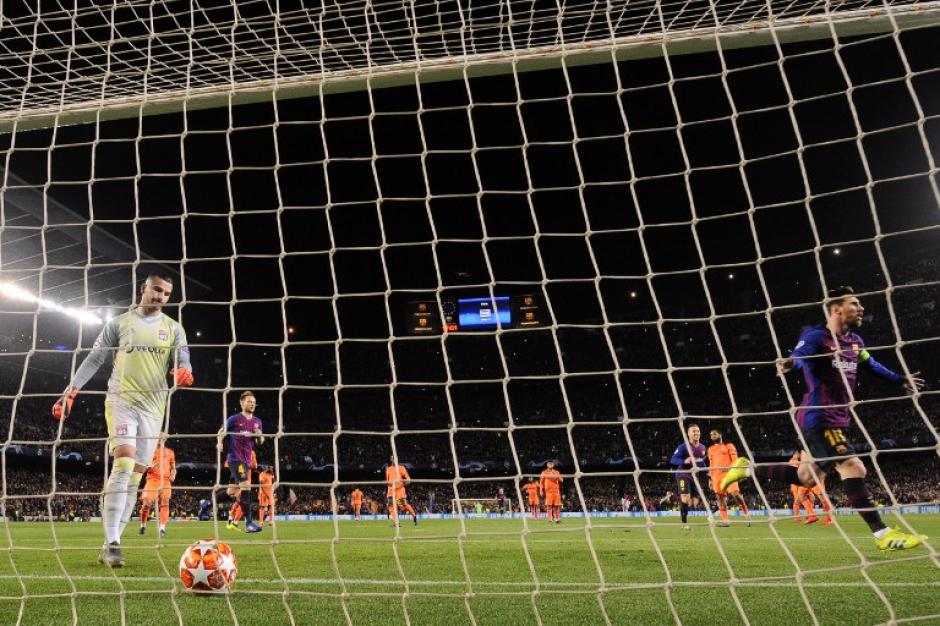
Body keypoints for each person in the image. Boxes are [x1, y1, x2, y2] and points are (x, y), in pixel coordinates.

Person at [722, 286, 927, 552]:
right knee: (854, 468)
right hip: (819, 416)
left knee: (807, 477)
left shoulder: (856, 342)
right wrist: (789, 363)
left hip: (838, 418)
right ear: (836, 309)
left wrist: (900, 380)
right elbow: (800, 356)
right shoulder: (817, 337)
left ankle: (748, 468)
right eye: (855, 303)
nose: (861, 308)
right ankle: (883, 534)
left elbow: (871, 365)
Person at [52, 272, 193, 567]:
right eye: (156, 290)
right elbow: (95, 358)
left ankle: (110, 540)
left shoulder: (174, 328)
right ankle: (114, 544)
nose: (160, 297)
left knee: (136, 478)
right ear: (144, 288)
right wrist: (71, 391)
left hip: (154, 408)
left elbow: (184, 359)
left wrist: (184, 371)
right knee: (124, 462)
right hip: (121, 400)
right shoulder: (118, 324)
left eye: (166, 293)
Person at [217, 391, 263, 533]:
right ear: (242, 403)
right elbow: (221, 431)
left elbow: (261, 441)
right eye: (249, 401)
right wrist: (220, 442)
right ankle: (248, 523)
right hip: (235, 459)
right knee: (246, 487)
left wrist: (258, 434)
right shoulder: (234, 419)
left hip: (246, 460)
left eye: (254, 402)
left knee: (231, 492)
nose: (252, 404)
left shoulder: (257, 422)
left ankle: (206, 503)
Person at [706, 429, 751, 527]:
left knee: (735, 495)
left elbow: (735, 460)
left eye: (714, 434)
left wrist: (730, 468)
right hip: (716, 476)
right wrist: (710, 478)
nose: (712, 436)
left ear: (720, 434)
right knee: (720, 498)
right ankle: (726, 521)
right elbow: (711, 464)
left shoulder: (729, 446)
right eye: (711, 434)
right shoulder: (710, 449)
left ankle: (746, 514)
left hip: (729, 475)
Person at [670, 424, 707, 531]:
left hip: (694, 477)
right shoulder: (683, 446)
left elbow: (701, 463)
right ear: (688, 434)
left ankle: (675, 497)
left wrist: (709, 473)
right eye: (693, 431)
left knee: (694, 503)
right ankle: (684, 523)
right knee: (685, 498)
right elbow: (673, 459)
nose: (696, 433)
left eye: (698, 431)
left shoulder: (703, 448)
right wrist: (684, 461)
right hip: (682, 474)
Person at [138, 434, 176, 537]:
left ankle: (162, 528)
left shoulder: (170, 452)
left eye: (163, 438)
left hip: (165, 481)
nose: (161, 439)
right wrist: (150, 466)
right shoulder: (149, 451)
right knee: (147, 504)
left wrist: (173, 474)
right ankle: (143, 525)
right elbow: (142, 468)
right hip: (152, 481)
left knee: (165, 502)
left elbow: (173, 467)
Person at [385, 457, 418, 526]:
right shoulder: (388, 469)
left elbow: (408, 479)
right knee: (390, 507)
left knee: (404, 506)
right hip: (391, 491)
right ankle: (396, 522)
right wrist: (390, 484)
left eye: (394, 458)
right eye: (391, 458)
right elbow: (387, 481)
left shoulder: (401, 468)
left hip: (400, 491)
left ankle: (414, 516)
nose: (393, 460)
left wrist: (403, 483)